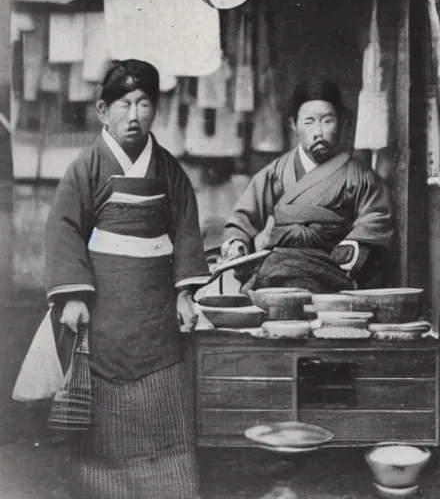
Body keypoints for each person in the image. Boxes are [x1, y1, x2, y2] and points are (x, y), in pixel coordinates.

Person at [44, 59, 210, 498]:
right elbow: (63, 230)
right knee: (103, 423)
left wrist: (185, 294)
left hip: (155, 309)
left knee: (162, 407)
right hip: (103, 311)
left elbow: (187, 232)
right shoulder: (85, 168)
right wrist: (74, 298)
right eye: (123, 104)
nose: (134, 115)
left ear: (156, 110)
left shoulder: (170, 171)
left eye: (144, 104)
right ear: (102, 110)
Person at [222, 78, 394, 293]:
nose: (318, 131)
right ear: (294, 124)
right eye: (309, 121)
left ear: (340, 123)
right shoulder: (274, 173)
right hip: (276, 271)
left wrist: (353, 246)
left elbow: (375, 217)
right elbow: (242, 221)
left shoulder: (360, 177)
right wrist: (237, 243)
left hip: (333, 271)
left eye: (327, 121)